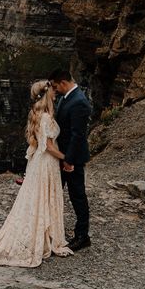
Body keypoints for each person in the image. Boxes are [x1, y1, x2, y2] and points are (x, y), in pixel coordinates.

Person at [0, 80, 73, 267]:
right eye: (53, 90)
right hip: (46, 163)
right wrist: (66, 158)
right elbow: (49, 147)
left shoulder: (36, 113)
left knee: (36, 199)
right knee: (45, 197)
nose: (56, 92)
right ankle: (46, 237)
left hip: (37, 163)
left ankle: (42, 233)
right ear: (47, 93)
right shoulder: (46, 118)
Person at [48, 68, 92, 252]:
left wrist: (69, 160)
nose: (55, 90)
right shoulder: (67, 98)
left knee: (77, 196)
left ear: (64, 83)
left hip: (71, 158)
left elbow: (77, 135)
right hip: (62, 156)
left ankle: (82, 236)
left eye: (56, 86)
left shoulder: (79, 102)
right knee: (54, 192)